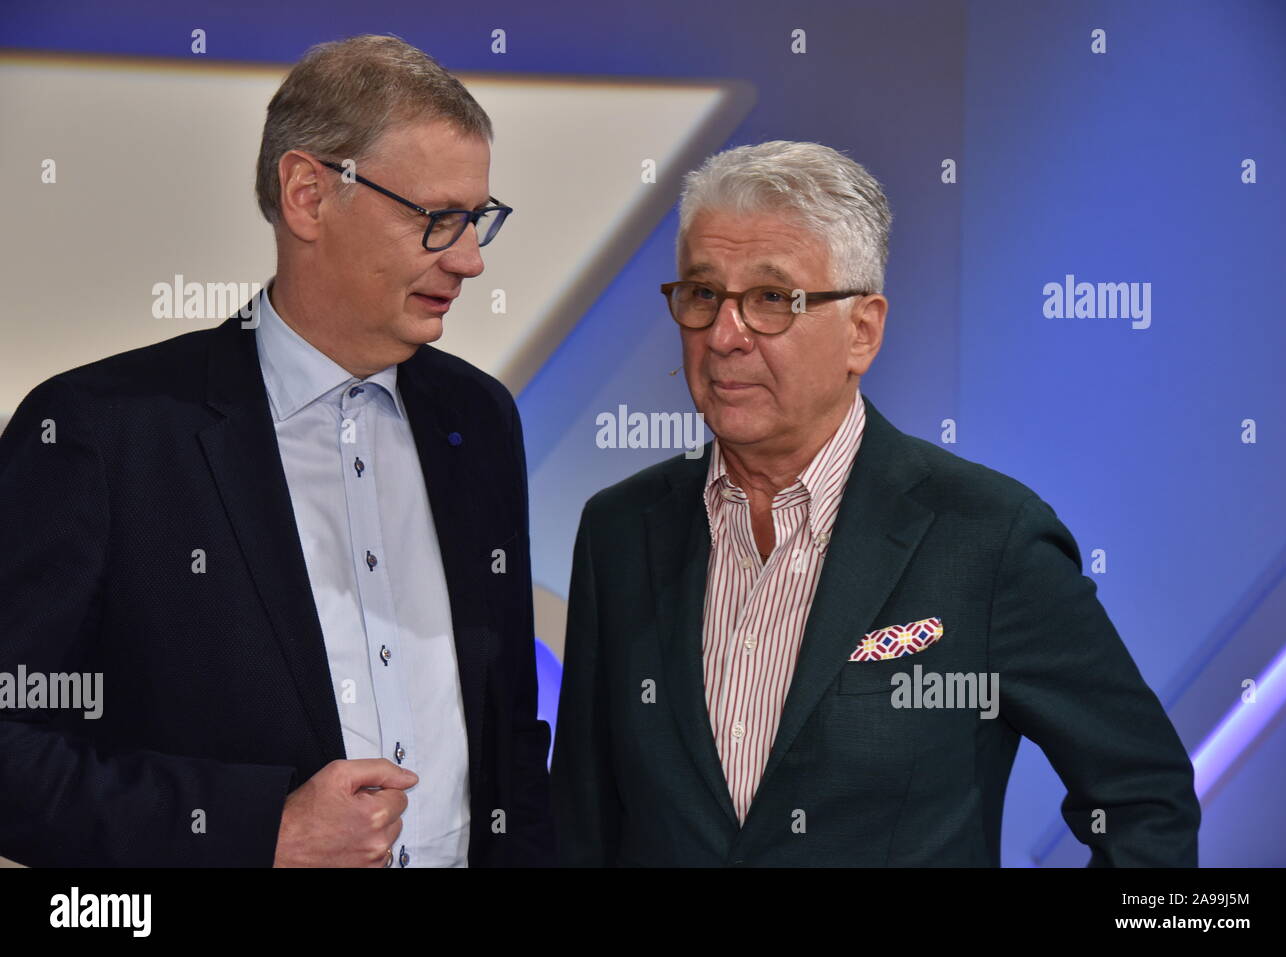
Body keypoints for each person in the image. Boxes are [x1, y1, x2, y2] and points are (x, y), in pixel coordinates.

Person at [550, 140, 1199, 866]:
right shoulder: (617, 530)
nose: (725, 335)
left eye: (772, 299)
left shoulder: (988, 540)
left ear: (863, 329)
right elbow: (583, 824)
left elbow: (1144, 800)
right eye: (703, 294)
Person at [0, 34, 553, 867]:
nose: (470, 259)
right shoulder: (99, 434)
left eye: (477, 220)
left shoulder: (479, 418)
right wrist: (257, 830)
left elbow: (507, 724)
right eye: (438, 219)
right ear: (308, 194)